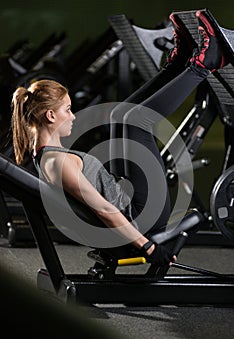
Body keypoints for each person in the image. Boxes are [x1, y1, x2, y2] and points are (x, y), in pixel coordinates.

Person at [11, 10, 228, 267]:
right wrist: (147, 246)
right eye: (67, 110)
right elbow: (105, 210)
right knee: (138, 121)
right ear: (49, 116)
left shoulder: (46, 155)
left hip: (131, 198)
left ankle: (180, 61)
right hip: (144, 215)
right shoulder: (58, 163)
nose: (73, 116)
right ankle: (206, 63)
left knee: (119, 115)